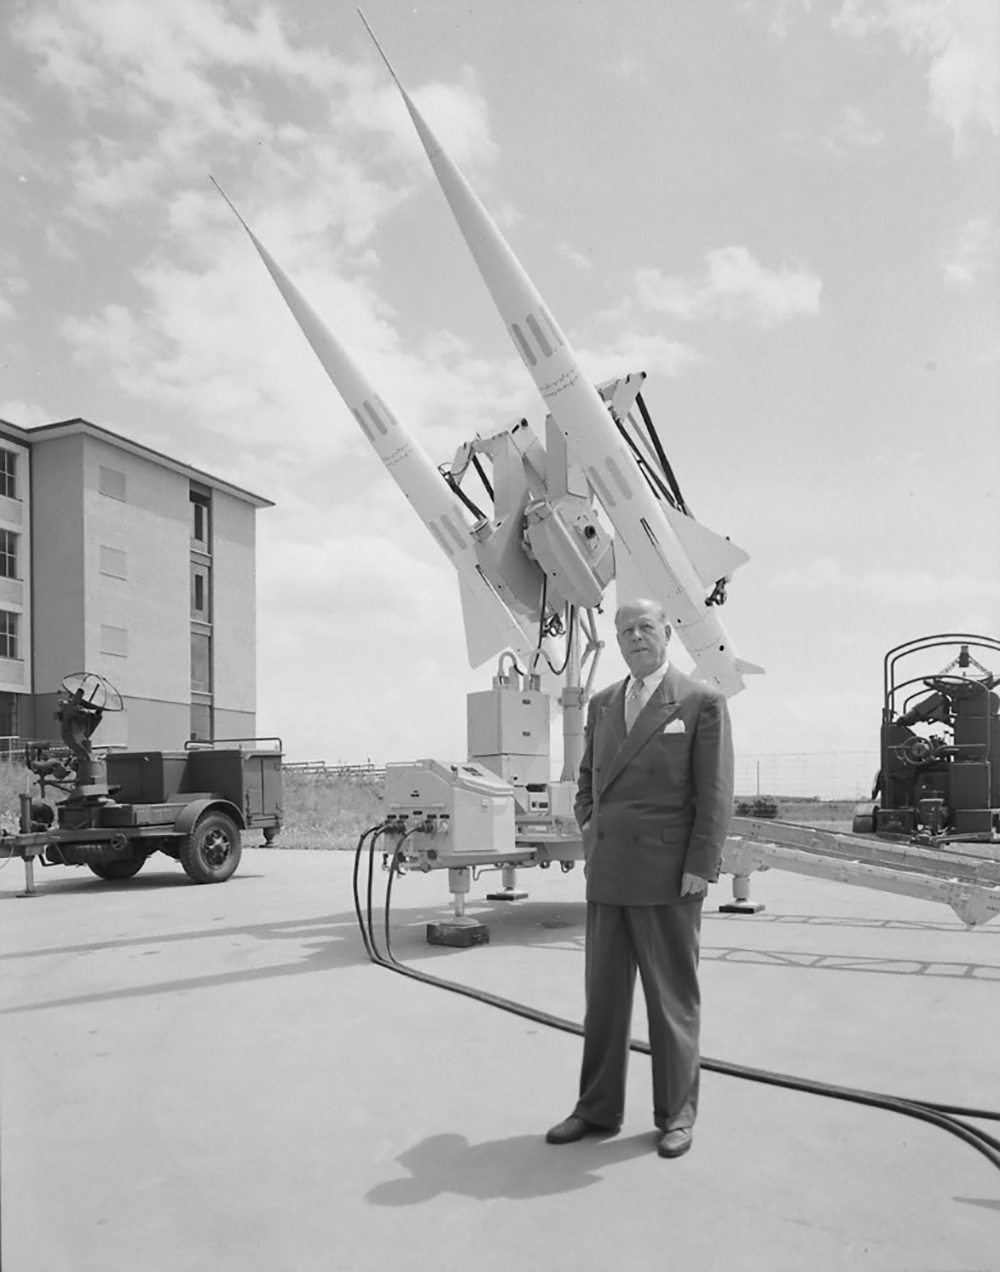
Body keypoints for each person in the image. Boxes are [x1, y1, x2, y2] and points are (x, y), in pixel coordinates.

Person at [545, 597, 734, 1159]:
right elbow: (587, 779)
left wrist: (701, 864)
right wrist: (589, 827)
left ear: (667, 633)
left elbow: (715, 793)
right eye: (625, 629)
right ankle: (595, 1108)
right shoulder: (604, 703)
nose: (634, 637)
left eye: (645, 627)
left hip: (668, 875)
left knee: (671, 1001)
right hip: (609, 872)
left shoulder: (700, 701)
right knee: (603, 1002)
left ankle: (677, 1114)